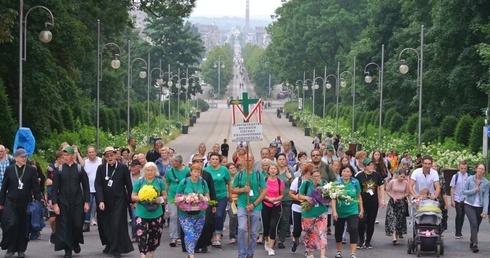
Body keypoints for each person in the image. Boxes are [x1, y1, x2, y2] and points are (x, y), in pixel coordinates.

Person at [0, 149, 43, 258]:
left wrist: (39, 199)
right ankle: (10, 248)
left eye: (25, 156)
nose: (24, 158)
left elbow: (35, 187)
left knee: (23, 226)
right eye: (22, 157)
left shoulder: (31, 170)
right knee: (11, 224)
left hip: (25, 202)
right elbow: (4, 186)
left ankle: (21, 249)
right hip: (11, 201)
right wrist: (1, 202)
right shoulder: (9, 169)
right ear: (16, 158)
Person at [95, 146, 134, 257]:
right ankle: (109, 243)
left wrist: (132, 200)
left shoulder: (122, 168)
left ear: (116, 156)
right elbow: (98, 185)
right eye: (107, 156)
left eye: (111, 155)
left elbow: (128, 184)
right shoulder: (101, 168)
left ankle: (117, 248)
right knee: (106, 223)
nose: (110, 158)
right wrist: (100, 200)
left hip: (119, 200)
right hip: (105, 201)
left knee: (117, 223)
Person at [52, 145, 90, 258]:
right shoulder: (59, 170)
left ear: (73, 156)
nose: (65, 157)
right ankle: (68, 249)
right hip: (63, 202)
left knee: (77, 224)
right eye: (63, 155)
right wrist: (55, 204)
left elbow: (86, 186)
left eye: (67, 155)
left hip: (77, 201)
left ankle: (76, 242)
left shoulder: (79, 169)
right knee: (65, 226)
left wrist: (87, 202)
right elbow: (54, 189)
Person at [232, 153, 267, 258]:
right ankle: (241, 254)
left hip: (255, 206)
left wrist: (254, 204)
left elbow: (264, 191)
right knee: (242, 228)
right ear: (243, 161)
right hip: (242, 204)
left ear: (253, 161)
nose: (248, 163)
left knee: (253, 232)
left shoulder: (258, 174)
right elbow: (233, 189)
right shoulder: (240, 174)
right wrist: (243, 189)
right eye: (246, 160)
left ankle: (250, 253)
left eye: (250, 160)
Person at [131, 162, 167, 258]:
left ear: (155, 171)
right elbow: (133, 196)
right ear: (144, 171)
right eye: (147, 170)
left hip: (156, 213)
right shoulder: (140, 182)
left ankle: (151, 254)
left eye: (152, 170)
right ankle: (143, 254)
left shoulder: (160, 182)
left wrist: (157, 200)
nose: (150, 172)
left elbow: (165, 196)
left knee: (155, 235)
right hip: (142, 213)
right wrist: (142, 198)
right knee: (141, 234)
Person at [176, 164, 210, 258]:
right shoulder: (184, 182)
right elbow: (178, 196)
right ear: (190, 172)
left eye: (198, 172)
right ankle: (191, 255)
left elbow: (207, 195)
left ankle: (189, 253)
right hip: (185, 214)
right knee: (189, 234)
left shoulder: (203, 182)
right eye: (194, 171)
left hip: (200, 214)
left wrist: (205, 204)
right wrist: (181, 205)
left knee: (196, 235)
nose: (196, 174)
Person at [332, 165, 363, 258]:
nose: (346, 173)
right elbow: (333, 198)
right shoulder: (336, 183)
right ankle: (338, 251)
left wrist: (361, 209)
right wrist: (334, 211)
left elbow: (358, 196)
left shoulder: (355, 182)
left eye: (348, 171)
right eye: (344, 171)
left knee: (353, 229)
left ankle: (353, 253)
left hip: (352, 211)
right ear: (341, 173)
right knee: (338, 231)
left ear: (351, 173)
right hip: (340, 211)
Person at [297, 167, 328, 258]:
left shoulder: (324, 183)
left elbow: (328, 195)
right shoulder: (306, 183)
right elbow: (299, 196)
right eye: (314, 176)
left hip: (321, 212)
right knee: (309, 233)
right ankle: (310, 253)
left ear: (320, 175)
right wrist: (307, 198)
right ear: (311, 176)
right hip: (308, 213)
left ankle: (322, 255)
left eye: (317, 176)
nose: (316, 178)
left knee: (322, 232)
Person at [355, 158, 385, 249]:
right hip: (362, 202)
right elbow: (357, 190)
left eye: (372, 165)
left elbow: (380, 187)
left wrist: (382, 200)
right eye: (369, 165)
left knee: (371, 222)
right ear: (365, 166)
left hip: (373, 202)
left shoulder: (377, 175)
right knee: (362, 220)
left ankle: (368, 241)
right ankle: (361, 240)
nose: (371, 167)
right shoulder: (359, 176)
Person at [204, 152, 231, 248]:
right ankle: (211, 235)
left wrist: (230, 195)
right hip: (210, 197)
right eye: (213, 159)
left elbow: (229, 182)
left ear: (219, 160)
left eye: (216, 159)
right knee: (211, 217)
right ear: (209, 160)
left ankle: (218, 237)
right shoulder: (206, 170)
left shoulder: (224, 170)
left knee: (219, 215)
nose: (214, 161)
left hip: (221, 196)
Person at [462, 163, 489, 253]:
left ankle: (471, 240)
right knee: (473, 223)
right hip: (469, 204)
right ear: (476, 169)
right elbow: (464, 191)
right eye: (479, 168)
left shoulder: (486, 182)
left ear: (484, 171)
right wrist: (474, 190)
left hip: (479, 206)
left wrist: (485, 211)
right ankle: (475, 244)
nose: (481, 170)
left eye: (483, 169)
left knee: (476, 225)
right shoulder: (470, 179)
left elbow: (486, 197)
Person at [165, 155, 190, 247]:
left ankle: (180, 236)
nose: (171, 163)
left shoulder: (187, 170)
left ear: (179, 162)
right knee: (173, 216)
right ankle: (173, 237)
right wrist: (166, 197)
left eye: (173, 161)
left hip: (183, 197)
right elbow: (167, 183)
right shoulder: (169, 171)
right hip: (172, 196)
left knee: (182, 217)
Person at [289, 163, 313, 253]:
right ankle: (296, 240)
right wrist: (300, 200)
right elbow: (291, 193)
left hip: (309, 209)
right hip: (297, 207)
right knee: (297, 229)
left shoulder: (314, 183)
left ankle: (308, 248)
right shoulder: (298, 180)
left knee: (308, 229)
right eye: (311, 174)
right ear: (306, 173)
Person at [262, 162, 285, 256]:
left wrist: (275, 199)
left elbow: (282, 195)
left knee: (273, 225)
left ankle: (271, 247)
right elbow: (262, 193)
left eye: (275, 169)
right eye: (271, 168)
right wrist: (267, 198)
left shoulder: (280, 182)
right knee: (266, 225)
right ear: (268, 170)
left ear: (277, 171)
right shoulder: (264, 180)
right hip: (266, 205)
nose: (273, 170)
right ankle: (266, 240)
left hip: (276, 205)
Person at [385, 169, 409, 244]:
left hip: (401, 202)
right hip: (393, 202)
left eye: (404, 177)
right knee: (392, 218)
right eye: (401, 176)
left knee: (399, 220)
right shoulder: (392, 182)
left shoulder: (405, 183)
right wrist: (393, 197)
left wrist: (403, 196)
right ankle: (393, 236)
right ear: (398, 175)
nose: (402, 178)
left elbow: (407, 192)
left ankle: (397, 235)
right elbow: (387, 190)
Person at [275, 153, 294, 248]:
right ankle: (272, 238)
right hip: (275, 200)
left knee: (285, 220)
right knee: (274, 220)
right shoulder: (274, 171)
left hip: (286, 199)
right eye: (280, 159)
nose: (282, 161)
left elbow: (294, 185)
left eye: (283, 159)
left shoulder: (289, 171)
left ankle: (281, 240)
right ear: (277, 161)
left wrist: (290, 177)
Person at [82, 146, 102, 232]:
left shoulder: (101, 161)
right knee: (87, 206)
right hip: (88, 188)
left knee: (100, 206)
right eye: (89, 152)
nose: (91, 154)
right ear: (87, 154)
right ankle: (86, 223)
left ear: (96, 152)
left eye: (93, 152)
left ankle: (101, 223)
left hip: (98, 188)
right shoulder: (85, 163)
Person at [46, 151, 64, 244]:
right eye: (63, 158)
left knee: (61, 217)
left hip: (63, 195)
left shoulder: (65, 168)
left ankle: (61, 235)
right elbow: (48, 182)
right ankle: (53, 232)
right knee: (53, 218)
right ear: (58, 159)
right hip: (52, 195)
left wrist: (54, 183)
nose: (65, 159)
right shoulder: (51, 168)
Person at [450, 160, 469, 239]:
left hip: (465, 199)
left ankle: (460, 231)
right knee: (459, 214)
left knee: (462, 215)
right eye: (462, 168)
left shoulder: (469, 177)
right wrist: (452, 199)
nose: (463, 170)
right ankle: (457, 231)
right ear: (459, 168)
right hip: (457, 198)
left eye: (464, 168)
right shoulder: (455, 176)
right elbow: (452, 188)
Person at [226, 163, 239, 244]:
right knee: (233, 217)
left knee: (239, 217)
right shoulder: (227, 179)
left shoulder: (239, 176)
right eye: (231, 168)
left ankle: (237, 233)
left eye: (234, 167)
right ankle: (232, 236)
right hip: (230, 200)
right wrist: (229, 197)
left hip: (240, 200)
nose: (233, 169)